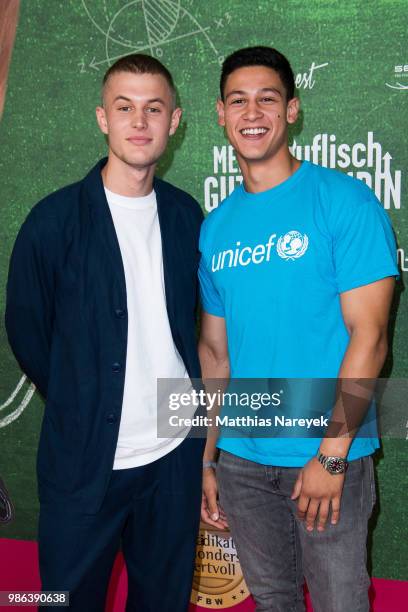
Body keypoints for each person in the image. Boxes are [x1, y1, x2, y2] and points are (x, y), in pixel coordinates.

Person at [198, 46, 397, 612]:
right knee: (273, 600)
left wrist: (332, 455)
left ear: (292, 110)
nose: (252, 112)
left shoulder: (344, 202)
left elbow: (371, 337)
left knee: (340, 603)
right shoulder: (216, 229)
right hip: (240, 460)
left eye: (267, 98)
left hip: (327, 454)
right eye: (238, 100)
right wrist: (210, 458)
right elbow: (216, 353)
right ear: (220, 113)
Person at [6, 53, 204, 612]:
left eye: (153, 108)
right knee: (64, 601)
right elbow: (27, 331)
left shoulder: (188, 216)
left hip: (174, 456)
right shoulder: (52, 222)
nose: (139, 121)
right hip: (84, 463)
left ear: (175, 120)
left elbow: (195, 329)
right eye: (125, 107)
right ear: (102, 118)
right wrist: (80, 399)